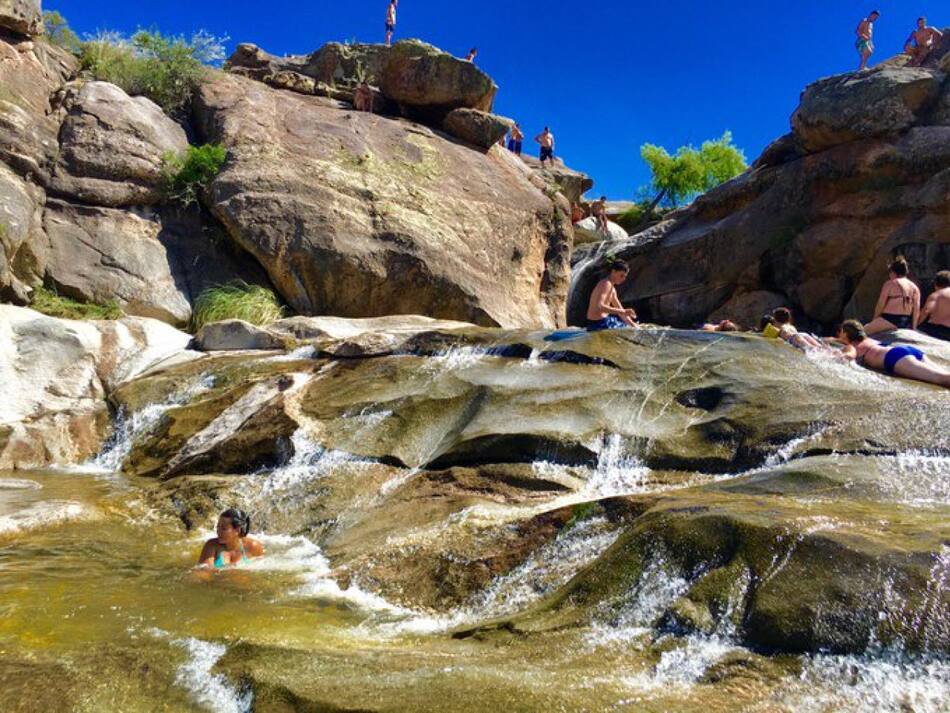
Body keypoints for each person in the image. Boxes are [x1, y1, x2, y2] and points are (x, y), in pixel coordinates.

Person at [827, 319, 950, 387]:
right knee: (944, 374)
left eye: (841, 332)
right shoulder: (869, 339)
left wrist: (834, 357)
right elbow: (835, 340)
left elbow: (850, 355)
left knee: (939, 378)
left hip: (894, 358)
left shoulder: (852, 346)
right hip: (906, 350)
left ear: (845, 333)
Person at [864, 256, 920, 334]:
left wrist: (874, 320)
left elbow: (880, 304)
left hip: (890, 319)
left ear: (893, 272)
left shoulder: (890, 284)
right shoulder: (915, 287)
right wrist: (913, 328)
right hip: (906, 321)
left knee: (862, 331)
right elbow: (916, 310)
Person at [197, 508, 265, 569]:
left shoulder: (254, 546)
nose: (218, 531)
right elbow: (204, 574)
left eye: (223, 529)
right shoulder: (211, 546)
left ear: (237, 530)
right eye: (218, 527)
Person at [586, 260, 637, 331]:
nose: (623, 279)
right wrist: (623, 311)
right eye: (621, 275)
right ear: (613, 271)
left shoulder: (612, 289)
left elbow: (620, 309)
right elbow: (600, 306)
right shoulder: (605, 284)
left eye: (625, 276)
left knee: (630, 327)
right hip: (598, 324)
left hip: (603, 322)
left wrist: (633, 325)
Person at [919, 270, 950, 341]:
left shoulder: (937, 294)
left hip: (935, 330)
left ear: (936, 284)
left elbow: (926, 311)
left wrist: (915, 326)